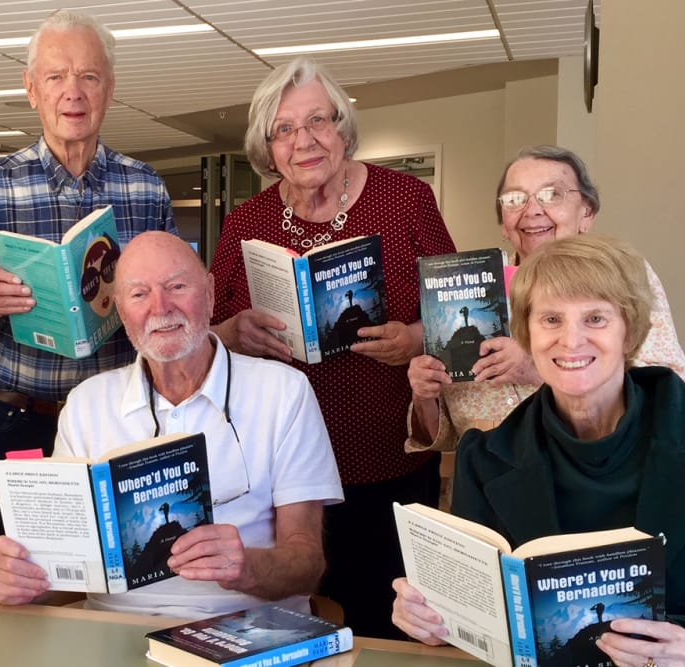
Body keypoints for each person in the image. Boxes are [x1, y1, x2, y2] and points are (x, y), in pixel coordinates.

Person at [208, 56, 456, 637]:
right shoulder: (247, 221)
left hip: (385, 452)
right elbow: (209, 331)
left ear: (343, 128)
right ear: (268, 150)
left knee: (384, 621)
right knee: (287, 623)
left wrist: (415, 337)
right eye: (285, 129)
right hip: (281, 471)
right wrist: (231, 332)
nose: (305, 140)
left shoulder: (404, 199)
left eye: (319, 120)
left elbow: (461, 299)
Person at [0, 9, 175, 591]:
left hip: (122, 419)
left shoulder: (145, 187)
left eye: (89, 77)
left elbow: (175, 304)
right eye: (57, 77)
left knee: (128, 571)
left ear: (109, 91)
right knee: (18, 582)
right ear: (31, 87)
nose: (73, 92)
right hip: (17, 419)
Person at [0, 232, 343, 619]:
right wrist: (23, 581)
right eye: (139, 294)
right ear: (121, 311)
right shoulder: (86, 403)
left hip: (245, 626)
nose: (161, 307)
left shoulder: (283, 392)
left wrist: (247, 568)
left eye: (177, 286)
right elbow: (62, 580)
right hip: (112, 630)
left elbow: (307, 563)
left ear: (208, 292)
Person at [392, 235, 685, 664]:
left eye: (596, 319)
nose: (570, 341)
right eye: (550, 319)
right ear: (526, 334)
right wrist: (437, 620)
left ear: (630, 331)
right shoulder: (484, 459)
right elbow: (482, 624)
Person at [405, 145, 685, 454]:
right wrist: (424, 396)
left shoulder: (621, 275)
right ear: (503, 223)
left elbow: (667, 392)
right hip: (489, 483)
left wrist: (539, 367)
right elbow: (441, 438)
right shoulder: (466, 285)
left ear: (587, 212)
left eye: (552, 194)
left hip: (593, 476)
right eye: (515, 199)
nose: (533, 210)